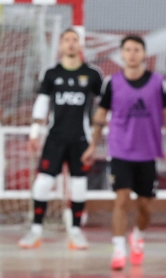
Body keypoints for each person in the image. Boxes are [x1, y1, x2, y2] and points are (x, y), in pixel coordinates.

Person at [83, 35, 166, 270]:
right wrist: (93, 145)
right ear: (121, 54)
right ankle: (118, 248)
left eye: (137, 49)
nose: (132, 54)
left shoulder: (157, 82)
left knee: (144, 205)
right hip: (120, 150)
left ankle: (138, 236)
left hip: (148, 152)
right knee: (121, 199)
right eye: (127, 50)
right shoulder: (111, 83)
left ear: (144, 54)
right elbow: (101, 115)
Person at [19, 28, 103, 250]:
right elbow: (42, 104)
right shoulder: (51, 73)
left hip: (81, 140)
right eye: (67, 40)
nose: (71, 44)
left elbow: (104, 108)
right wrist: (35, 134)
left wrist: (97, 140)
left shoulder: (93, 75)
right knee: (43, 183)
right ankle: (36, 230)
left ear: (81, 45)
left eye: (75, 40)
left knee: (78, 184)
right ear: (61, 45)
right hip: (55, 138)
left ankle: (75, 230)